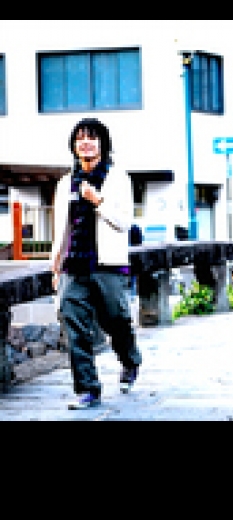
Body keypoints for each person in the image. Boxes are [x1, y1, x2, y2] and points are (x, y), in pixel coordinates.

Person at [51, 118, 142, 410]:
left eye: (91, 138)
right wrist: (55, 265)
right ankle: (88, 389)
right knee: (74, 326)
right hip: (73, 266)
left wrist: (98, 201)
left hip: (108, 265)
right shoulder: (66, 182)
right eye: (80, 139)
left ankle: (130, 361)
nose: (85, 143)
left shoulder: (118, 178)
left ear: (103, 144)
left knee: (117, 321)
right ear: (73, 146)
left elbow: (125, 222)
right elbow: (61, 229)